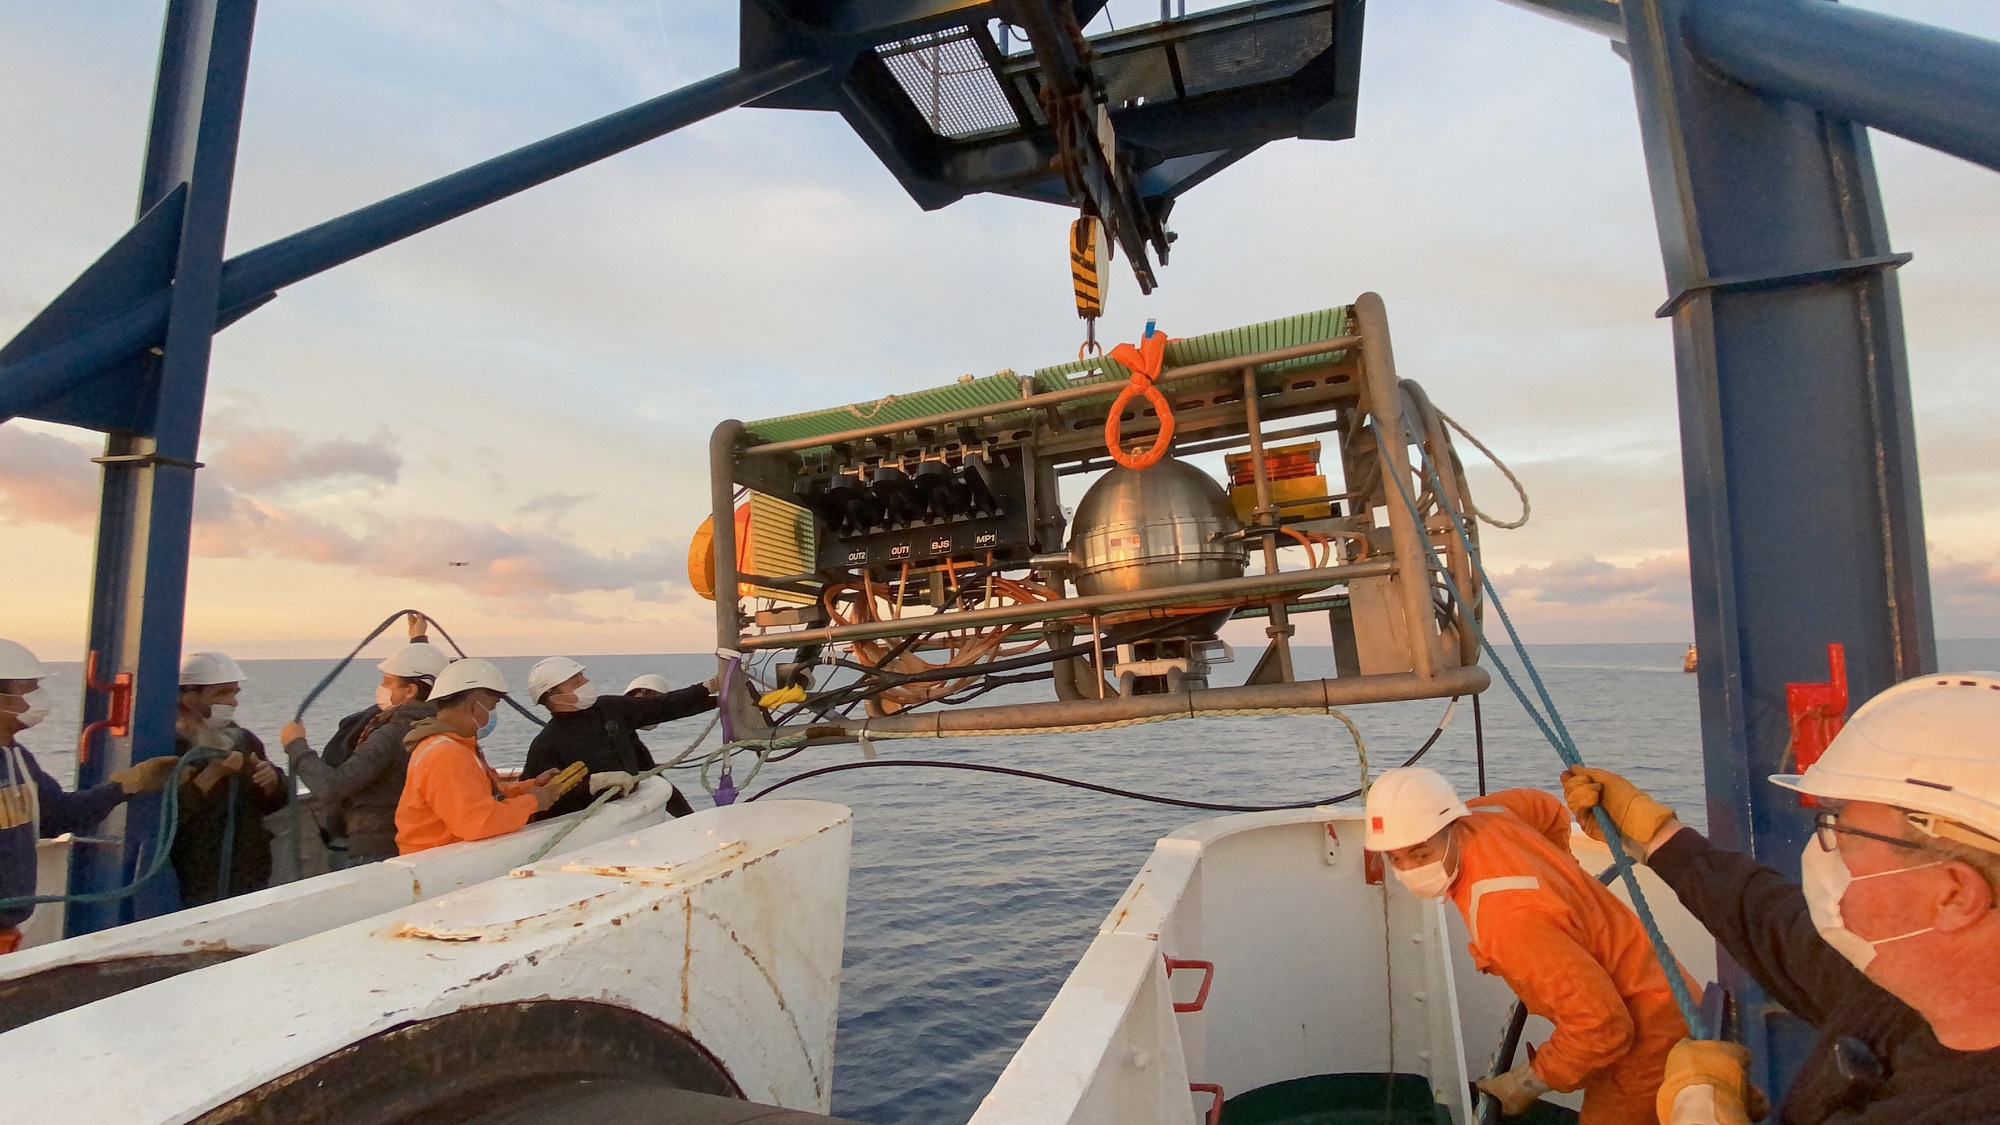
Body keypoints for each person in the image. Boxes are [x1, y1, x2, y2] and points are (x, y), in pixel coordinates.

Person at [1563, 673, 2000, 1124]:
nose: (1823, 850)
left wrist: (1699, 1114)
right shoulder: (1904, 993)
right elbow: (1775, 926)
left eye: (1842, 832)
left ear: (1954, 893)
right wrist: (1659, 839)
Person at [1365, 767, 1695, 1124]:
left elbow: (1603, 1028)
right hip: (1661, 985)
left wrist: (1525, 1083)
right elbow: (1548, 809)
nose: (1407, 870)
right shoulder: (1488, 813)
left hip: (1653, 1039)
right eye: (1393, 858)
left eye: (1420, 854)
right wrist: (1566, 878)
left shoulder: (1508, 921)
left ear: (1448, 828)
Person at [1, 639, 176, 952]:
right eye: (26, 689)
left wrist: (125, 786)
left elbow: (58, 816)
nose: (37, 699)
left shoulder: (16, 758)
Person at [278, 641, 450, 866]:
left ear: (410, 690)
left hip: (376, 851)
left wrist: (295, 745)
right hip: (417, 846)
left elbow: (332, 787)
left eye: (388, 682)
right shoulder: (442, 728)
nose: (382, 688)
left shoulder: (392, 735)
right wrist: (418, 644)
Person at [395, 658, 560, 854]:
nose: (491, 714)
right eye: (491, 707)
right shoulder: (447, 754)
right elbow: (478, 823)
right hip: (438, 864)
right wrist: (533, 802)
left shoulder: (449, 745)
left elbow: (482, 798)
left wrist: (529, 787)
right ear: (473, 707)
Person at [521, 658, 711, 819]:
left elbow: (661, 706)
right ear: (557, 698)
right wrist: (592, 786)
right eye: (576, 682)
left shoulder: (609, 707)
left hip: (635, 813)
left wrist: (709, 691)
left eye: (583, 677)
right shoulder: (545, 746)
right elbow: (546, 804)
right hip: (598, 827)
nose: (586, 683)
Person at [174, 651, 288, 907]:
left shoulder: (242, 740)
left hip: (247, 875)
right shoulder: (169, 747)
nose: (233, 702)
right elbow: (166, 816)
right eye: (223, 693)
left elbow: (273, 801)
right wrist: (211, 776)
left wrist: (273, 782)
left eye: (234, 693)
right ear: (190, 697)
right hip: (193, 880)